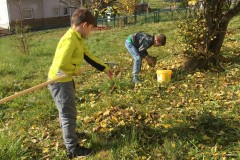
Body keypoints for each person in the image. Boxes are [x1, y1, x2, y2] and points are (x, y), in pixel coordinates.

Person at [48, 8, 112, 159]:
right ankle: (72, 149)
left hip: (65, 80)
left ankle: (69, 132)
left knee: (66, 111)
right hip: (59, 82)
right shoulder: (69, 39)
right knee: (68, 114)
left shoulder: (78, 39)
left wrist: (105, 68)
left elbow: (88, 56)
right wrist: (75, 70)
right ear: (84, 25)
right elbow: (62, 64)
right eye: (91, 28)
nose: (91, 31)